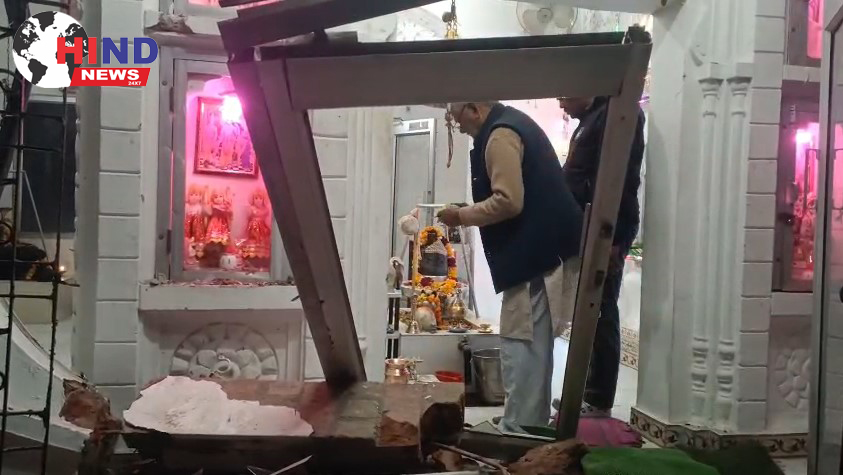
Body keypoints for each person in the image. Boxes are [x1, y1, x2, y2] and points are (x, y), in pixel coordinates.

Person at [437, 101, 583, 433]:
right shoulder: (508, 125)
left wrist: (461, 216)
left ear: (474, 109)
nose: (459, 127)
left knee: (523, 342)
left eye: (457, 119)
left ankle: (521, 428)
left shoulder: (501, 135)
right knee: (532, 344)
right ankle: (526, 423)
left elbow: (508, 201)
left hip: (539, 254)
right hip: (542, 251)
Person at [557, 96, 645, 417]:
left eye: (564, 95)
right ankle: (587, 393)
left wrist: (611, 238)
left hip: (606, 232)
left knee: (601, 309)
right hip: (590, 228)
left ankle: (599, 400)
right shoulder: (593, 117)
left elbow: (616, 180)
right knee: (588, 311)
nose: (562, 105)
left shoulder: (618, 112)